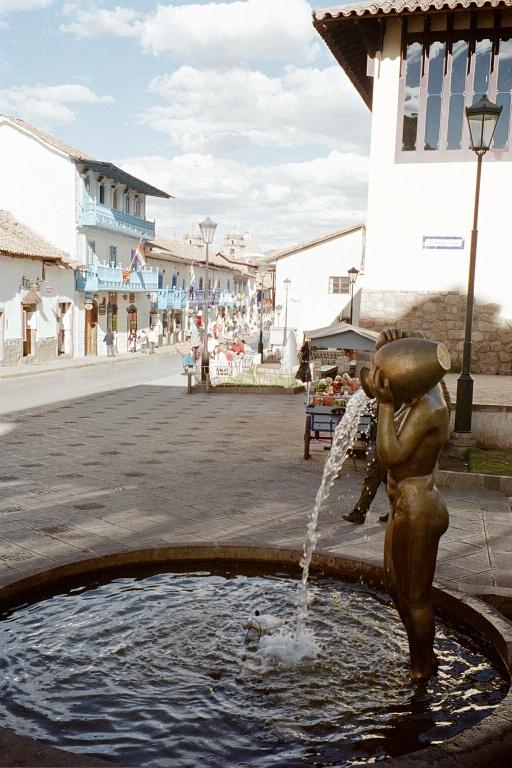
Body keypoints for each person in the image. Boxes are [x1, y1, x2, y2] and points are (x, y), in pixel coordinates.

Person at [366, 327, 451, 680]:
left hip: (419, 509)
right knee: (394, 584)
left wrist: (385, 406)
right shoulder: (420, 393)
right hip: (407, 505)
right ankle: (423, 655)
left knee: (415, 597)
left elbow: (390, 453)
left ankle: (421, 669)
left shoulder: (429, 408)